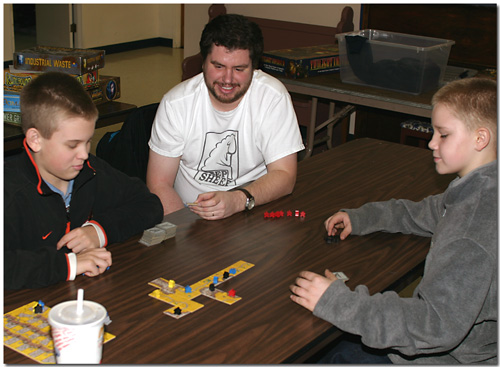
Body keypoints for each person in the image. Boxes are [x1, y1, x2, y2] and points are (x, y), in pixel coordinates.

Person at [290, 77, 497, 364]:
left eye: (443, 134)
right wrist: (363, 217)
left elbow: (434, 325)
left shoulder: (472, 227)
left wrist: (337, 302)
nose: (431, 143)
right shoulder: (482, 190)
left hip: (449, 358)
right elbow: (428, 211)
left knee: (327, 353)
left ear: (480, 138)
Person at [4, 72, 164, 290]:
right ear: (35, 139)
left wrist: (99, 231)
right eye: (72, 145)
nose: (84, 154)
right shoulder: (10, 193)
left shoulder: (90, 170)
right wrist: (69, 264)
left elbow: (149, 204)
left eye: (88, 141)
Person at [147, 14, 304, 220]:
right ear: (203, 62)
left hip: (252, 209)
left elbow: (285, 176)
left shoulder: (272, 97)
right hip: (187, 215)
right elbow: (159, 183)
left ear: (254, 68)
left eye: (239, 69)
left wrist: (238, 200)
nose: (227, 79)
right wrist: (186, 231)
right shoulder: (176, 104)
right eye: (218, 66)